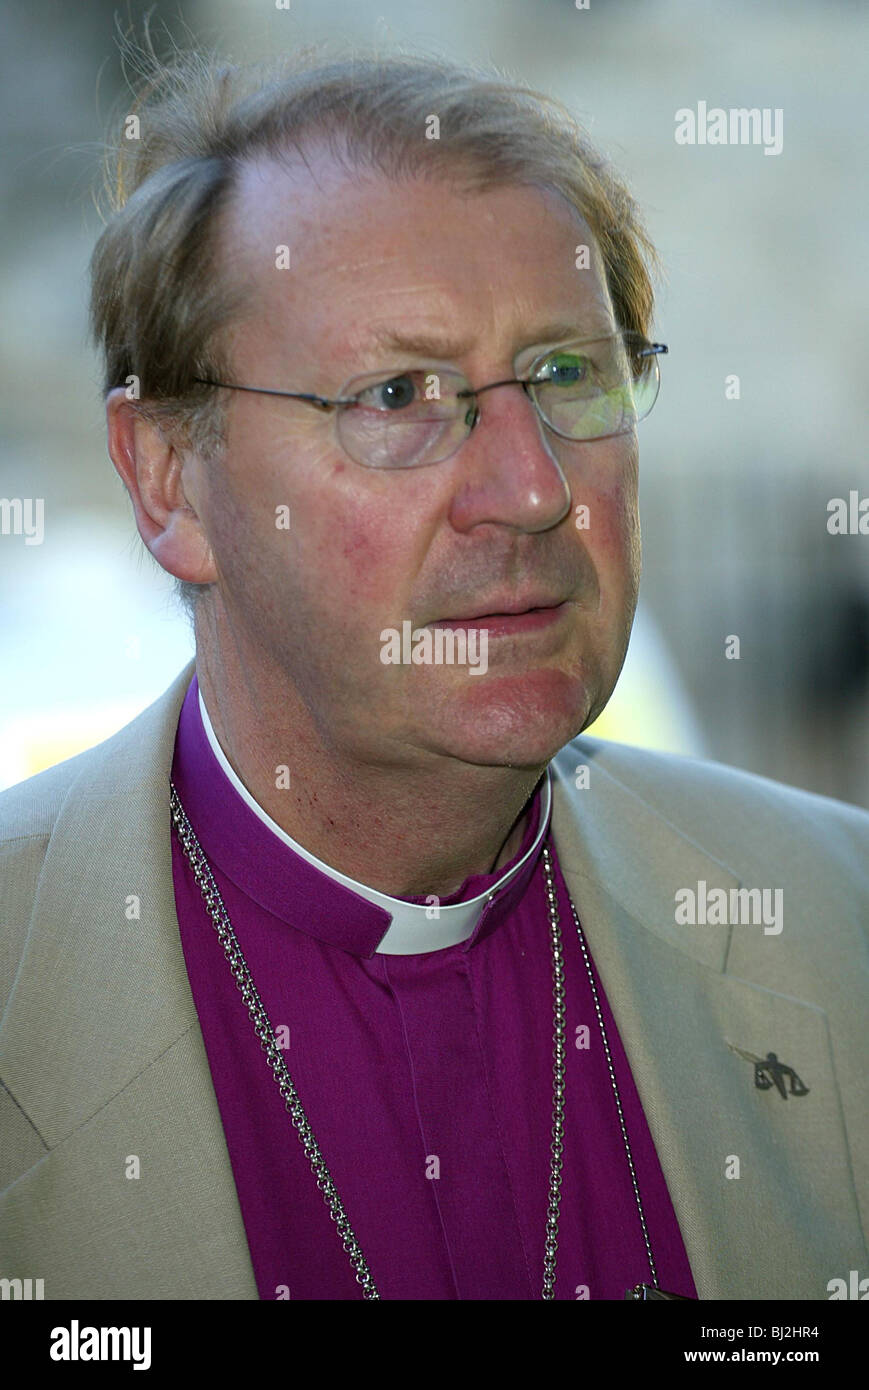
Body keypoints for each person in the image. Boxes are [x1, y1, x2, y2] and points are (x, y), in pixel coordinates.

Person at [1, 48, 866, 1302]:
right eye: (398, 394)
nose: (530, 490)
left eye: (569, 375)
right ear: (169, 479)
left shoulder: (835, 918)